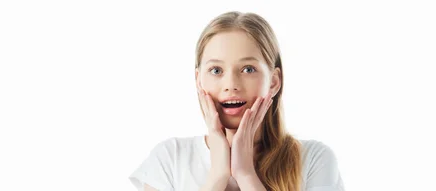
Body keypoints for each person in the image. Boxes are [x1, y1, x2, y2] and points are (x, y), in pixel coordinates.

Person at [128, 11, 345, 191]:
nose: (231, 84)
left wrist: (245, 173)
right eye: (216, 70)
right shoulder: (169, 159)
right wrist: (217, 176)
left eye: (248, 69)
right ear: (198, 80)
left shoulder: (315, 159)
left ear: (274, 81)